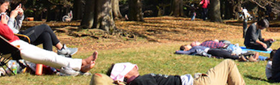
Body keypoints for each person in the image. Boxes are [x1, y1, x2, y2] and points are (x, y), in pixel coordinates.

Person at [0, 0, 97, 74]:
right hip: (16, 47)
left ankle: (80, 64)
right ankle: (80, 64)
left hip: (13, 46)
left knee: (49, 55)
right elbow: (9, 33)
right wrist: (4, 24)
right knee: (48, 56)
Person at [0, 0, 78, 57]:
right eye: (5, 5)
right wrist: (12, 17)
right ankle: (61, 49)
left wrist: (19, 17)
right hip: (15, 40)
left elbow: (16, 28)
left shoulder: (4, 15)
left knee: (46, 35)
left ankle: (50, 60)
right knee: (44, 27)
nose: (6, 8)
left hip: (18, 36)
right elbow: (8, 32)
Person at [94, 58, 246, 85]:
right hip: (196, 83)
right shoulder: (141, 81)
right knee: (228, 64)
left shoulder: (140, 82)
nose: (136, 67)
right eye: (132, 67)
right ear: (126, 74)